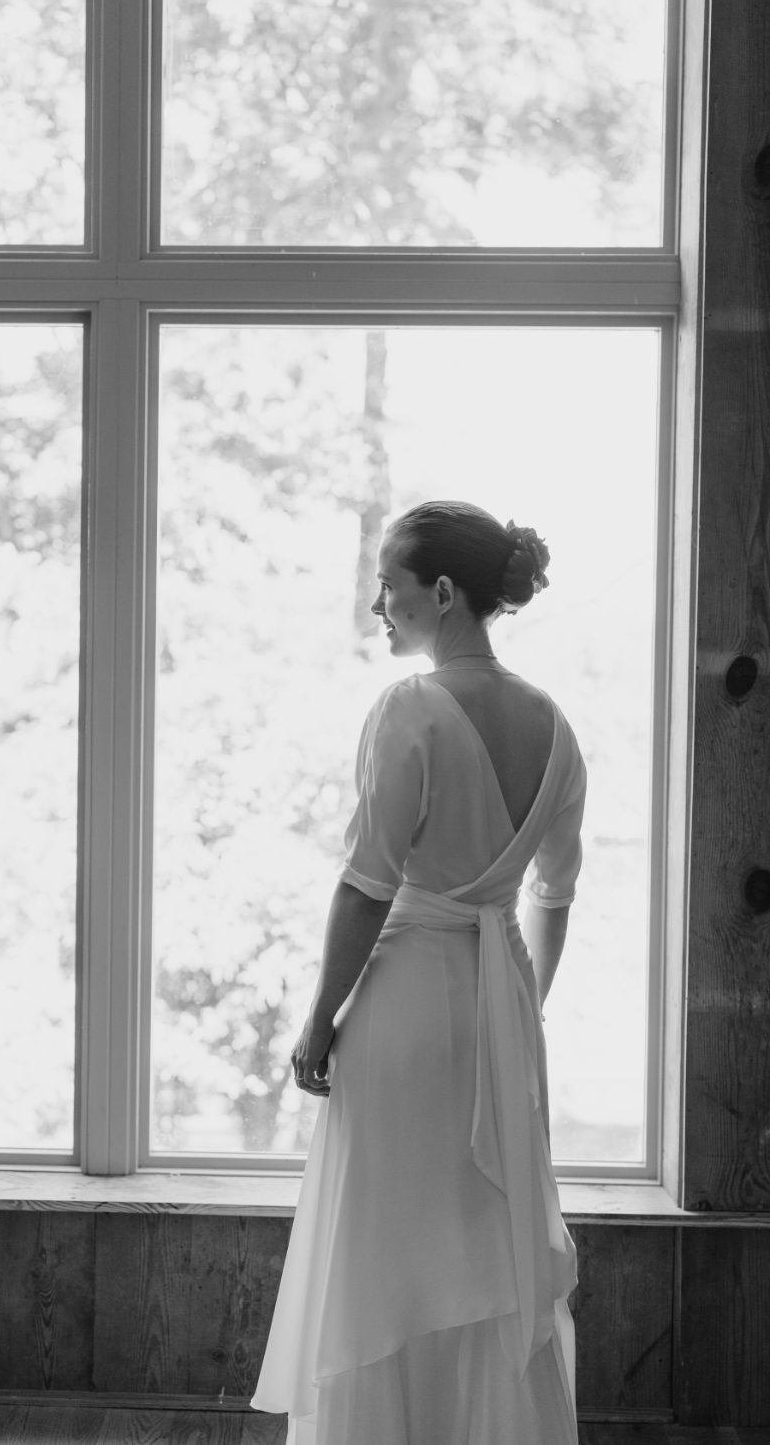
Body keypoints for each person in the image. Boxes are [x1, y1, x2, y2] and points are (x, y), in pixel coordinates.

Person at [250, 501, 586, 1445]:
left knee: (383, 1251)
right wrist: (522, 1006)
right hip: (499, 1012)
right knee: (490, 1254)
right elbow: (554, 896)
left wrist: (319, 1023)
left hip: (402, 1010)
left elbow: (365, 887)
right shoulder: (556, 728)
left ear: (442, 593)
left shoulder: (410, 708)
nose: (377, 607)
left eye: (390, 589)